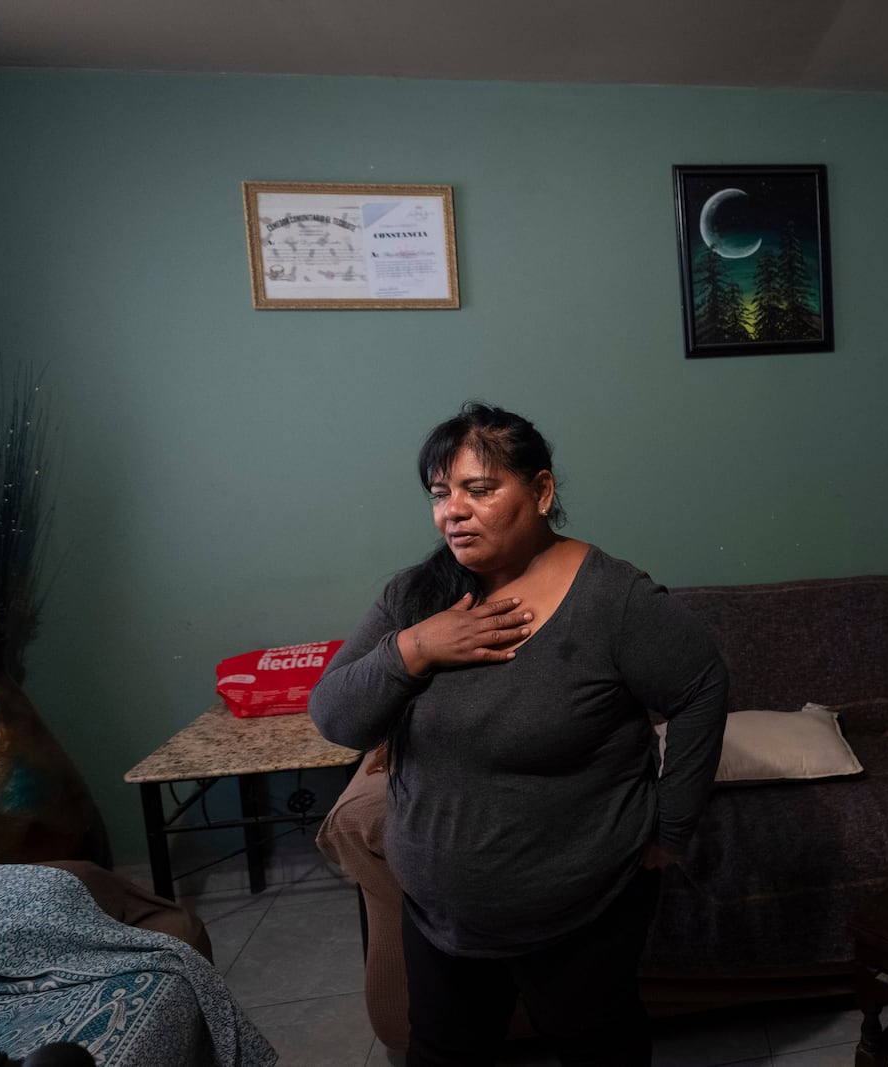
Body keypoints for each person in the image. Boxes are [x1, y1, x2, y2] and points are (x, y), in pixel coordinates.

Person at [309, 402, 729, 1067]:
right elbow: (334, 717)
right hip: (436, 913)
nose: (454, 511)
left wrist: (672, 826)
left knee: (599, 1048)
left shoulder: (611, 600)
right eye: (441, 494)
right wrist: (416, 647)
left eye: (479, 489)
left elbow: (703, 686)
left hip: (582, 912)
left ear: (541, 491)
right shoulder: (416, 595)